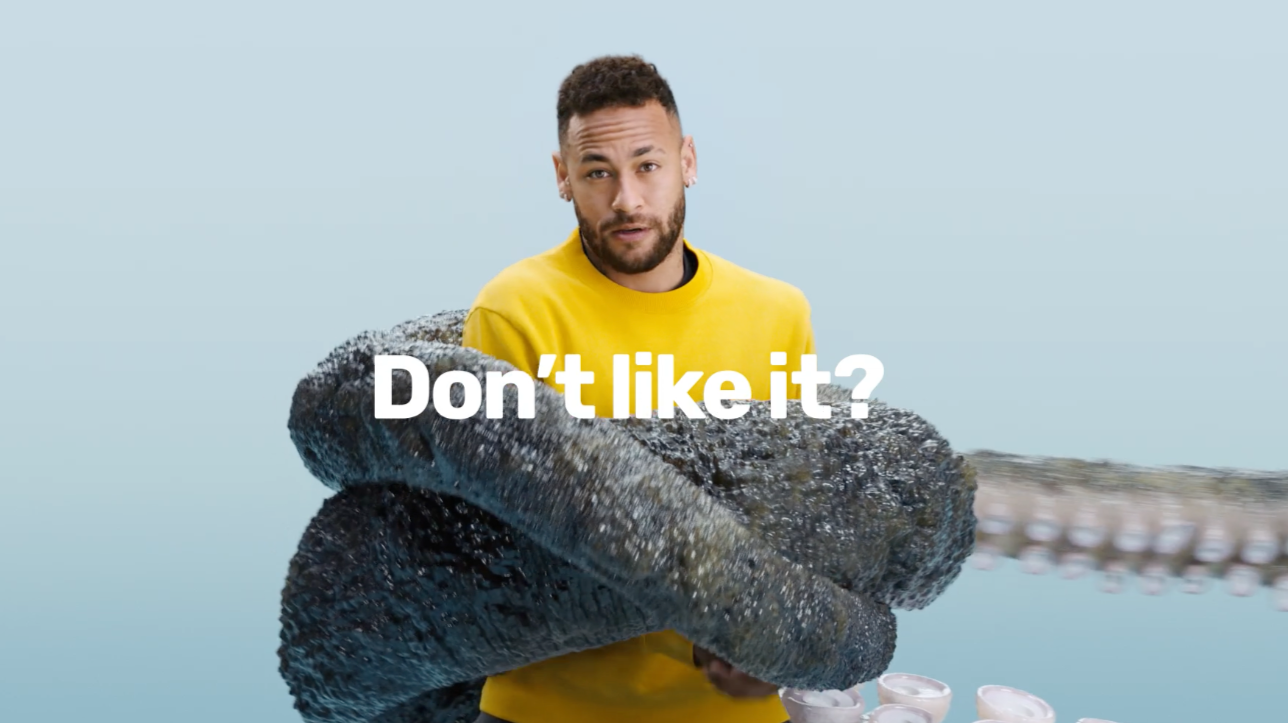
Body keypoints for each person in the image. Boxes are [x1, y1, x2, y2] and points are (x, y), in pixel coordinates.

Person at [462, 54, 816, 723]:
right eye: (598, 171)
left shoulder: (778, 313)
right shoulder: (513, 312)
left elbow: (796, 522)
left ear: (687, 161)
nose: (627, 198)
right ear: (563, 177)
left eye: (647, 165)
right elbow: (499, 547)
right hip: (546, 709)